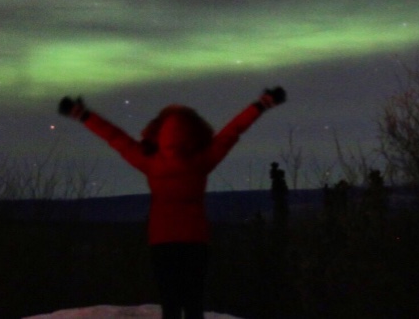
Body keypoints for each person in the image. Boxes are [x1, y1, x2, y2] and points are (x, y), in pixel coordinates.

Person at [58, 87, 287, 319]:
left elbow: (115, 137)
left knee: (171, 303)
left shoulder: (150, 161)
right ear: (194, 133)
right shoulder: (202, 160)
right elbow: (233, 130)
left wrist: (82, 114)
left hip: (162, 241)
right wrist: (261, 104)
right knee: (193, 302)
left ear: (158, 133)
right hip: (195, 240)